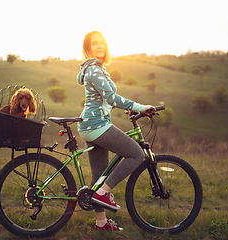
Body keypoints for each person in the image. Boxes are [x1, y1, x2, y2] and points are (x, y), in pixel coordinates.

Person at [77, 31, 153, 231]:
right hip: (96, 125)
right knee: (136, 154)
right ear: (88, 49)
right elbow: (111, 98)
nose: (100, 46)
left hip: (92, 125)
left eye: (102, 42)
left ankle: (101, 223)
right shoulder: (94, 69)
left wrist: (129, 108)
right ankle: (103, 193)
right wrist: (140, 107)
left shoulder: (95, 69)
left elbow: (104, 99)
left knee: (99, 175)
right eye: (95, 44)